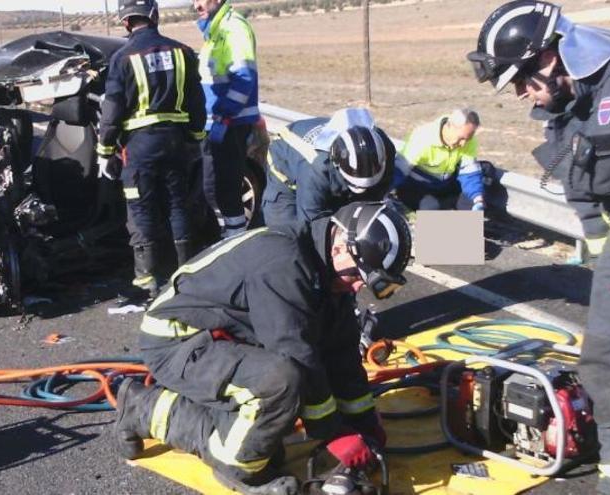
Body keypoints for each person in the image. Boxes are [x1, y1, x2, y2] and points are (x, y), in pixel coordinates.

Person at [114, 201, 412, 495]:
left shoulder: (330, 274)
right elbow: (297, 354)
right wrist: (334, 433)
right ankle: (218, 456)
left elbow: (340, 351)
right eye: (357, 276)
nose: (359, 287)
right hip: (178, 341)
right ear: (339, 248)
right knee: (279, 385)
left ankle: (229, 430)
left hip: (222, 337)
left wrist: (363, 420)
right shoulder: (285, 264)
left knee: (266, 438)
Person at [469, 1, 610, 491]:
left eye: (522, 80)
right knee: (602, 359)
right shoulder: (561, 107)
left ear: (550, 58)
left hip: (454, 212)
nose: (519, 94)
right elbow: (588, 196)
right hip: (439, 207)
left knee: (454, 228)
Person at [96, 0, 206, 298]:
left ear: (125, 23)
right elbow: (197, 101)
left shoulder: (121, 59)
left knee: (140, 211)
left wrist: (105, 151)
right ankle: (185, 278)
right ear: (155, 16)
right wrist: (195, 137)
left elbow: (111, 112)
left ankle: (149, 285)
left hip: (139, 147)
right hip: (176, 142)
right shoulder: (183, 52)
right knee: (177, 205)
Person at [261, 107, 401, 228]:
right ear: (337, 164)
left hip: (331, 175)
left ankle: (424, 255)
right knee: (290, 239)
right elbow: (311, 222)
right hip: (286, 164)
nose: (362, 190)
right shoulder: (316, 168)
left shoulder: (385, 148)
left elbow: (374, 200)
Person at [194, 0, 259, 238]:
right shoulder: (215, 31)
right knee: (216, 187)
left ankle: (235, 240)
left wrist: (225, 111)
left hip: (230, 122)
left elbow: (244, 76)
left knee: (226, 188)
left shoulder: (234, 28)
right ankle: (227, 235)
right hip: (216, 122)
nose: (196, 4)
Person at [395, 109, 486, 212]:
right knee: (431, 208)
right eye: (461, 138)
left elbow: (469, 173)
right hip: (416, 188)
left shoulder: (469, 141)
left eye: (468, 139)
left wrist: (478, 200)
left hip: (444, 186)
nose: (463, 144)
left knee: (474, 199)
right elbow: (400, 170)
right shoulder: (422, 137)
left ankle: (462, 224)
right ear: (449, 127)